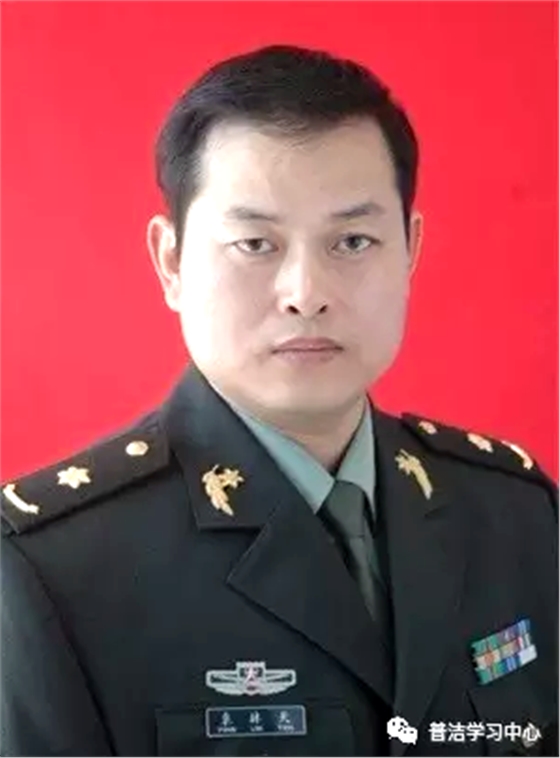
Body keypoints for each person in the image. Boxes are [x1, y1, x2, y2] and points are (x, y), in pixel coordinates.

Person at [1, 44, 557, 757]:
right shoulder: (52, 569)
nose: (306, 293)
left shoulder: (515, 515)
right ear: (171, 262)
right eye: (255, 244)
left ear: (410, 250)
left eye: (352, 241)